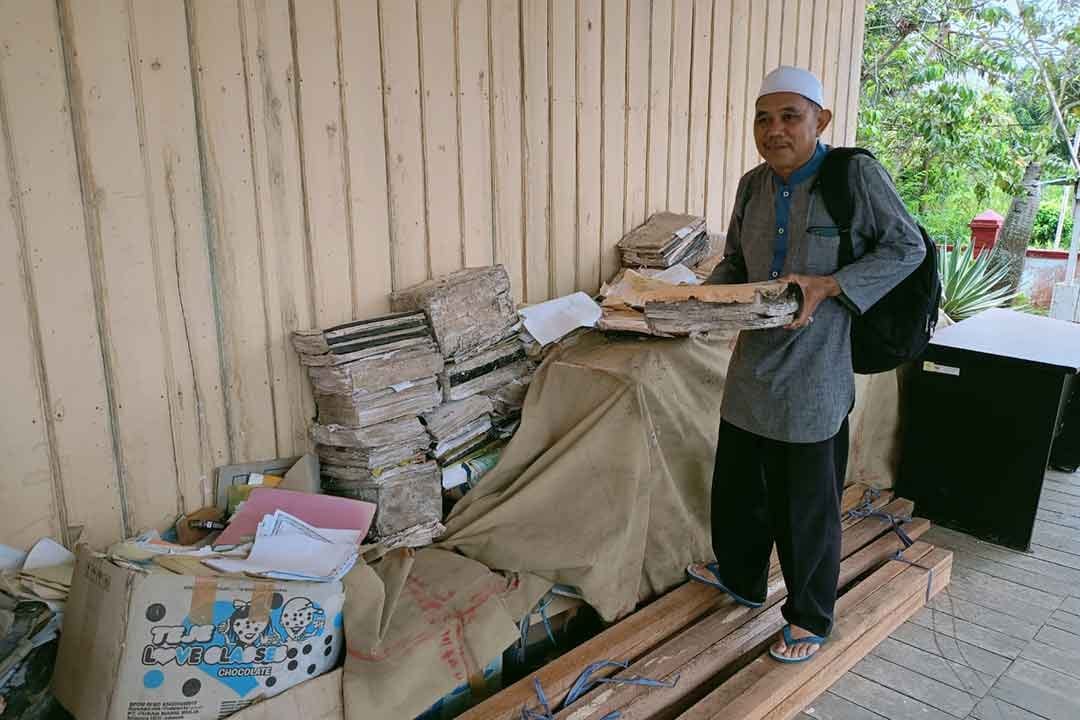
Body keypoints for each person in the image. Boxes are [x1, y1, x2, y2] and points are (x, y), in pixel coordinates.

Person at [686, 66, 926, 663]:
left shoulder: (854, 177)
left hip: (817, 371)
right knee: (739, 488)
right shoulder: (752, 185)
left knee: (807, 507)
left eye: (790, 116)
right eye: (763, 119)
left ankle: (810, 616)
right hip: (752, 368)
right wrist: (696, 302)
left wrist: (831, 284)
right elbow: (737, 263)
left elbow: (906, 246)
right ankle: (742, 578)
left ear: (820, 120)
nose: (775, 130)